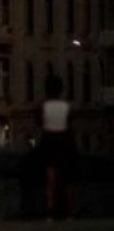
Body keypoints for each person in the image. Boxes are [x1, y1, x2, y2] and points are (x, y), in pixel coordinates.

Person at [37, 73, 76, 220]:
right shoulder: (67, 106)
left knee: (50, 178)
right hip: (64, 141)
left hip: (49, 141)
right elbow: (69, 125)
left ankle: (50, 211)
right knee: (67, 179)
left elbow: (39, 123)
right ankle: (69, 212)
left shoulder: (43, 106)